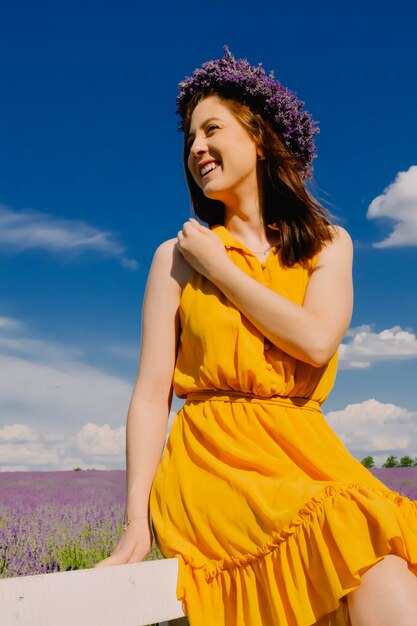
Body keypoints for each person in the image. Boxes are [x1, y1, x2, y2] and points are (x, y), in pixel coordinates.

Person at [96, 47, 417, 625]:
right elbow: (150, 397)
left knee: (380, 549)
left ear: (260, 137)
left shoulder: (327, 245)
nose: (195, 148)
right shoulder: (173, 258)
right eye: (189, 139)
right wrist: (134, 528)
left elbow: (316, 341)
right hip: (213, 463)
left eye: (211, 128)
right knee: (348, 526)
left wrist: (219, 267)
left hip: (306, 453)